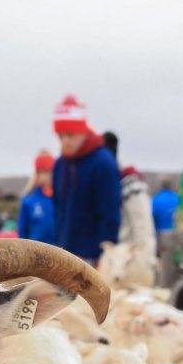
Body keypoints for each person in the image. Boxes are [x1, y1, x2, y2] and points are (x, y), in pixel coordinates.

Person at [50, 95, 121, 263]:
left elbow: (110, 212)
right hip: (64, 251)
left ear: (83, 131)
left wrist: (105, 256)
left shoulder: (104, 163)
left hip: (93, 256)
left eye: (70, 135)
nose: (65, 141)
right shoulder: (60, 165)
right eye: (60, 136)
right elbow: (58, 209)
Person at [117, 165, 156, 263]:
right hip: (119, 257)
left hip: (127, 259)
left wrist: (144, 260)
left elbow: (142, 226)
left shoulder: (133, 187)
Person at [18, 151, 56, 244]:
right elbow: (22, 231)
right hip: (35, 252)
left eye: (49, 171)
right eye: (42, 172)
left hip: (61, 251)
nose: (47, 176)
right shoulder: (28, 200)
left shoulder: (64, 199)